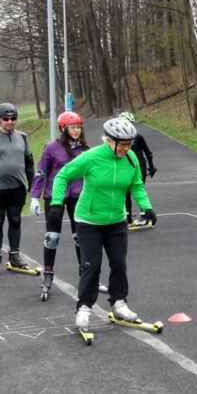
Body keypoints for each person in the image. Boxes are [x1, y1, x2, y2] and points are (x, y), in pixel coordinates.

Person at [48, 117, 156, 331]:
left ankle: (119, 303)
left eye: (129, 143)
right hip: (89, 221)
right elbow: (62, 176)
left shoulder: (131, 158)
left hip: (116, 220)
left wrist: (147, 207)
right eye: (122, 144)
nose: (126, 148)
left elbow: (136, 186)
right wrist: (57, 203)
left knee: (118, 263)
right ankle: (84, 308)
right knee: (92, 265)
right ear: (109, 140)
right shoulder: (92, 157)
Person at [30, 111, 89, 298]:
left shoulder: (85, 149)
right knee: (52, 237)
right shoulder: (51, 148)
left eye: (79, 127)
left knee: (80, 236)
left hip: (77, 197)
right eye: (73, 127)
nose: (77, 130)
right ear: (63, 128)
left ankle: (85, 275)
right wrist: (34, 196)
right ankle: (48, 273)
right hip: (53, 197)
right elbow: (41, 172)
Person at [0, 103, 35, 277]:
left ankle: (15, 255)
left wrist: (32, 185)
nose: (10, 122)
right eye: (6, 119)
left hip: (17, 187)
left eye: (13, 119)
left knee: (15, 220)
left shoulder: (23, 137)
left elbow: (29, 163)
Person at [118, 112, 157, 225]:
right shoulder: (117, 139)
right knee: (125, 193)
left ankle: (144, 216)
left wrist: (151, 167)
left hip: (140, 167)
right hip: (124, 168)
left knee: (139, 191)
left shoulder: (138, 137)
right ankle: (127, 217)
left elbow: (148, 152)